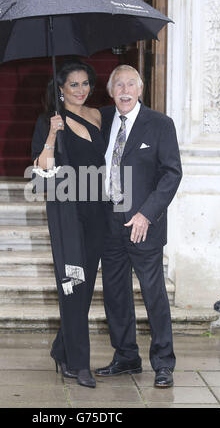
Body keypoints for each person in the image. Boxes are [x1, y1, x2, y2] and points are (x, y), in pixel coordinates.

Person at [95, 65, 182, 388]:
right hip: (109, 220)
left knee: (153, 293)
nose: (125, 89)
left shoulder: (160, 124)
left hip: (143, 222)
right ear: (110, 90)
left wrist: (147, 213)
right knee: (115, 294)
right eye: (119, 84)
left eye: (131, 83)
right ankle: (126, 357)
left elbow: (172, 173)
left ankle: (163, 362)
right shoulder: (101, 120)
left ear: (141, 89)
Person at [31, 60, 106, 388]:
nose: (81, 90)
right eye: (73, 84)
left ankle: (62, 348)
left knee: (85, 285)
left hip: (98, 208)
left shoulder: (98, 115)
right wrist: (51, 133)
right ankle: (79, 363)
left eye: (85, 83)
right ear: (60, 89)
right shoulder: (48, 122)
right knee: (72, 282)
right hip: (66, 209)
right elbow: (40, 172)